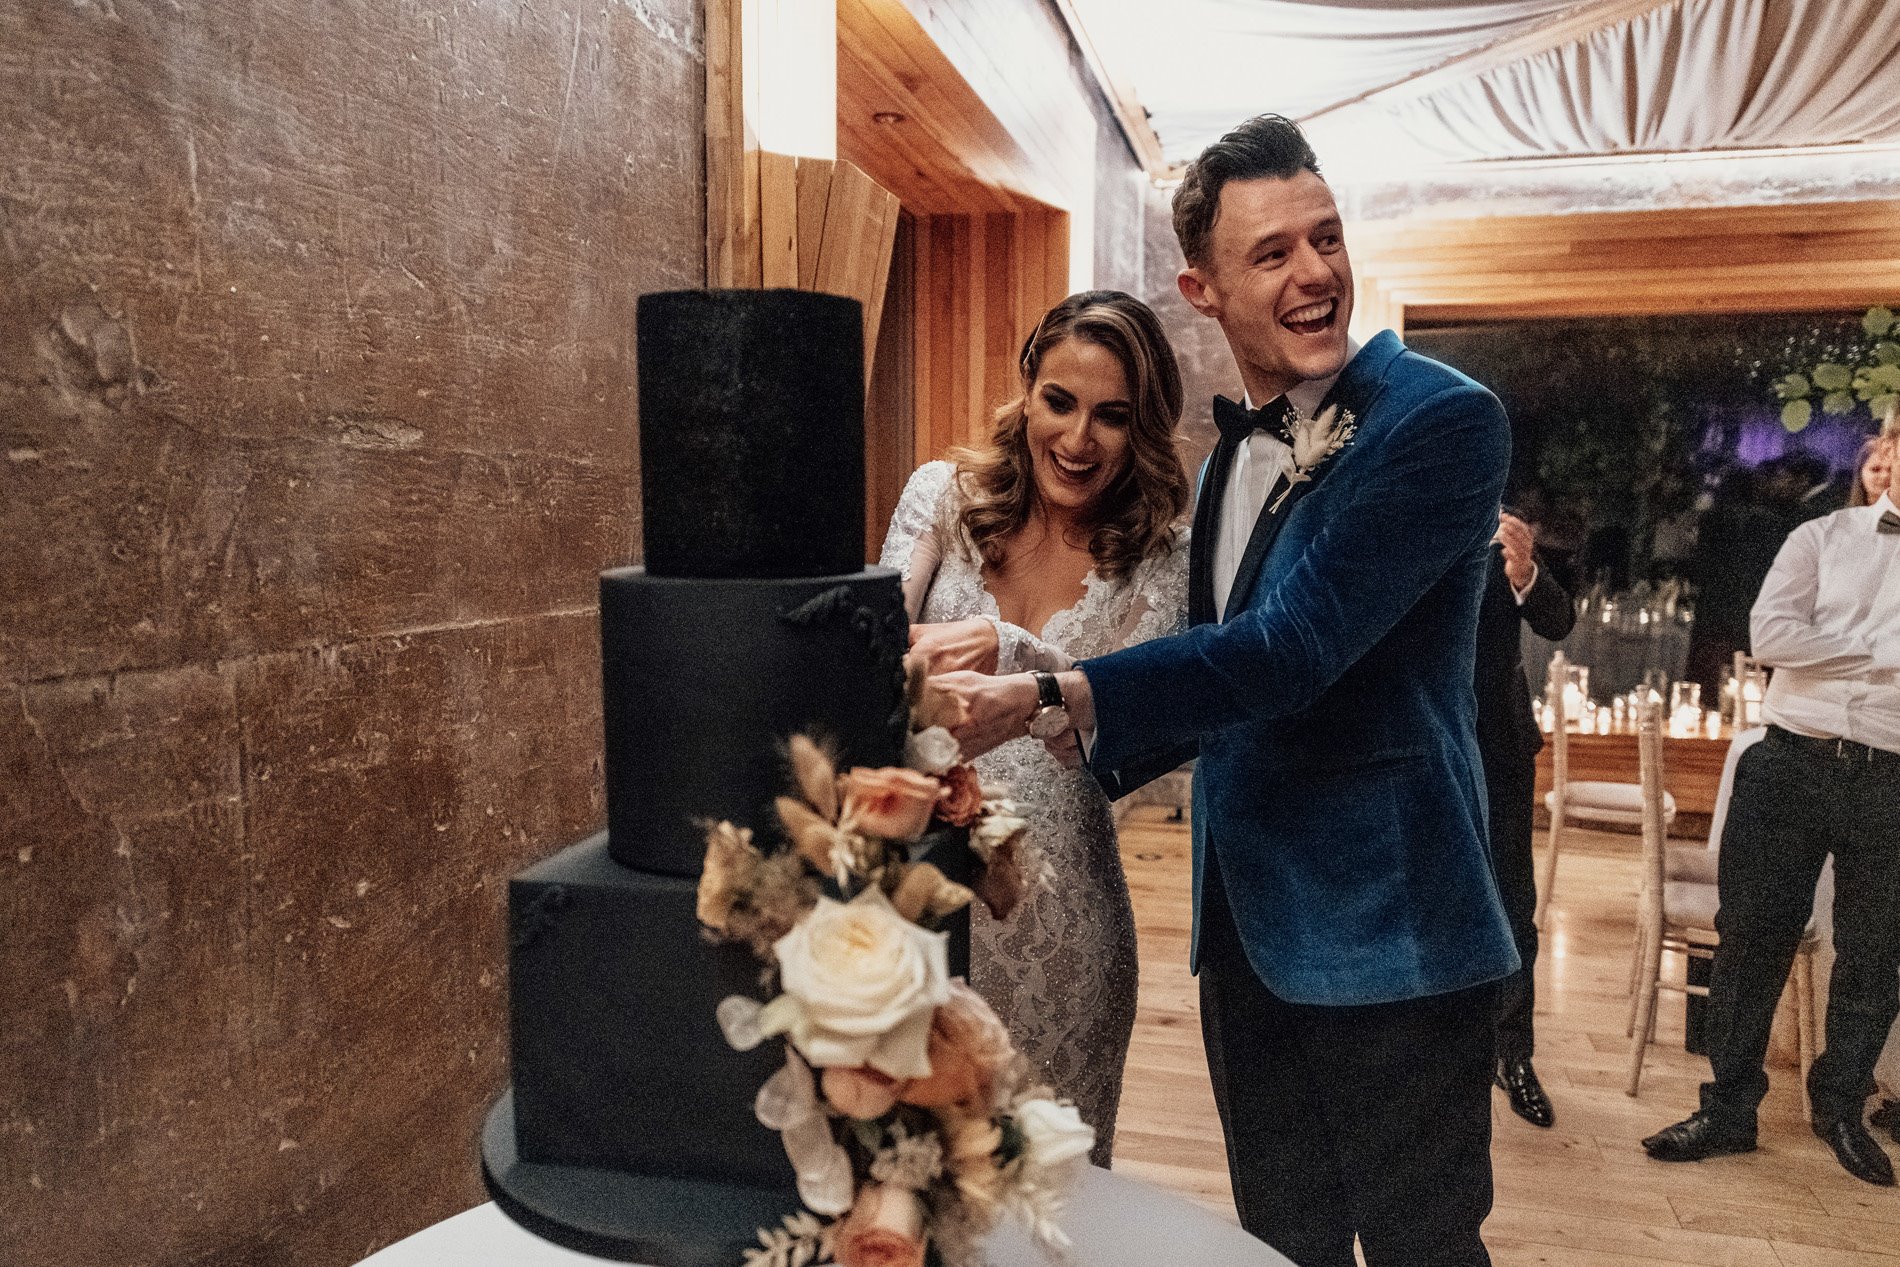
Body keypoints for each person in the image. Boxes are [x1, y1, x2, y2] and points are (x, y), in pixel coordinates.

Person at [935, 115, 1518, 1266]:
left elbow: (1288, 652)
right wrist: (1070, 759)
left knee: (1422, 1247)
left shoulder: (1442, 421)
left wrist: (1052, 697)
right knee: (1278, 1240)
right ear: (1203, 287)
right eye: (1272, 254)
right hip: (1245, 935)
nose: (1314, 273)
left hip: (1391, 935)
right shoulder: (1226, 465)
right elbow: (1223, 691)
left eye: (1326, 238)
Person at [879, 289, 1190, 1167]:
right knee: (915, 1189)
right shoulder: (942, 498)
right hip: (926, 900)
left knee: (1055, 1213)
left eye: (1112, 416)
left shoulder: (1161, 556)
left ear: (1143, 427)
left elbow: (1136, 741)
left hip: (1068, 931)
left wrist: (1011, 647)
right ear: (1027, 385)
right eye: (1059, 401)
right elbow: (861, 664)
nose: (1077, 439)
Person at [1642, 427, 1900, 1186]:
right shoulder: (1821, 535)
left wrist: (1837, 642)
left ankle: (1842, 1107)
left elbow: (1804, 640)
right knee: (1750, 938)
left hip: (1895, 776)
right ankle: (1727, 1108)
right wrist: (1886, 654)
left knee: (1876, 955)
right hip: (1790, 757)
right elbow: (1773, 634)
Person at [1477, 511, 1575, 1128]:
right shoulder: (1392, 506)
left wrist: (1526, 573)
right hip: (1408, 746)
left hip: (1497, 746)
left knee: (1512, 906)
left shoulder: (1498, 526)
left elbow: (1558, 621)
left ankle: (1513, 1055)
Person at [1848, 432, 1894, 508]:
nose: (1885, 476)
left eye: (1891, 470)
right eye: (1875, 470)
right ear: (1860, 472)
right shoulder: (1842, 517)